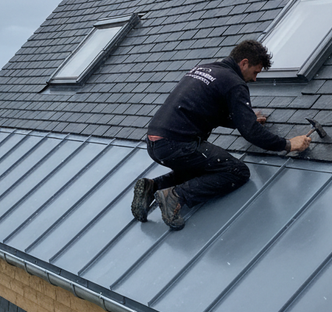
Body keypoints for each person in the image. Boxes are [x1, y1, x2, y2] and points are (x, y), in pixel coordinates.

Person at [131, 39, 311, 230]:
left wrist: (244, 119)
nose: (255, 78)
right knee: (236, 171)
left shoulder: (205, 69)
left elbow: (212, 112)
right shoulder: (234, 83)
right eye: (255, 72)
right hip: (177, 144)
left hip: (155, 143)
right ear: (244, 63)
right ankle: (176, 196)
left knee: (205, 166)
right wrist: (289, 144)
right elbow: (251, 133)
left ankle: (153, 187)